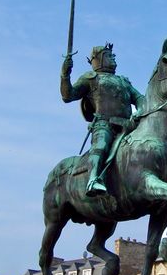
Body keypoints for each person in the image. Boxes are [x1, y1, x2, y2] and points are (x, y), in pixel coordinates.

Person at [60, 43, 144, 197]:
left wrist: (144, 109)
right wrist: (65, 74)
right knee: (101, 144)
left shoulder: (123, 81)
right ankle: (93, 179)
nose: (114, 58)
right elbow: (68, 95)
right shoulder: (91, 78)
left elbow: (140, 99)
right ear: (101, 58)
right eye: (110, 56)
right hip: (104, 124)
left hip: (128, 125)